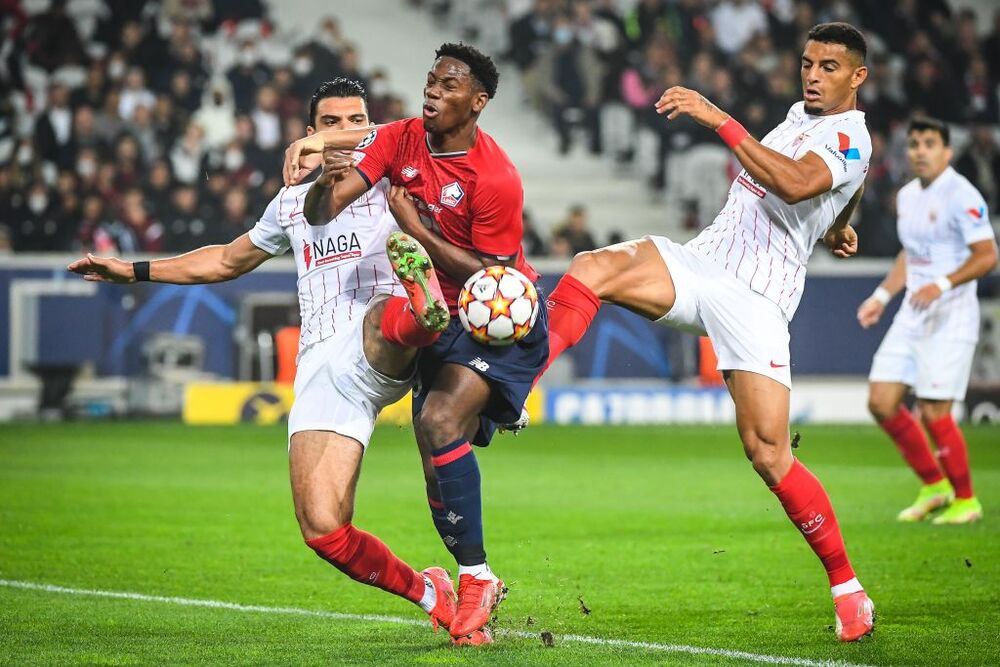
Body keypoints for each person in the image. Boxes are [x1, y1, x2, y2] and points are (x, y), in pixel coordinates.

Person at [67, 79, 468, 642]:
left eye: (359, 120)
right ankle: (430, 592)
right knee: (323, 529)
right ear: (309, 134)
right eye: (332, 123)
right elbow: (225, 261)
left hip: (381, 333)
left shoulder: (395, 176)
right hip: (324, 366)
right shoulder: (289, 206)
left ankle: (423, 312)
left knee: (385, 317)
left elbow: (415, 131)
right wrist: (133, 269)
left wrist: (343, 145)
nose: (348, 132)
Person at [535, 22, 875, 641]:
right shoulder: (799, 116)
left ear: (858, 77)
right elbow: (825, 188)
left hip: (756, 298)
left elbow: (797, 182)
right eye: (807, 63)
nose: (813, 76)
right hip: (702, 262)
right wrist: (835, 224)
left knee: (769, 454)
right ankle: (518, 378)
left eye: (829, 67)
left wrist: (717, 117)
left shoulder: (852, 135)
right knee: (592, 267)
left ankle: (848, 586)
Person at [283, 43, 545, 645]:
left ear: (477, 103)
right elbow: (330, 205)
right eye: (430, 81)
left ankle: (477, 577)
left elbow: (492, 276)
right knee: (434, 452)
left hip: (495, 315)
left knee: (437, 419)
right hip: (441, 318)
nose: (433, 92)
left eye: (449, 86)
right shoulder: (399, 137)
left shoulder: (495, 177)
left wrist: (415, 229)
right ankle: (459, 576)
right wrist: (322, 186)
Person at [858, 116, 996, 525]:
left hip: (951, 316)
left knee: (935, 411)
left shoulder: (962, 194)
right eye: (915, 143)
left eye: (929, 143)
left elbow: (987, 255)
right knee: (881, 402)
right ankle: (935, 486)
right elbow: (910, 254)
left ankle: (967, 500)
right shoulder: (906, 196)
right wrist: (882, 296)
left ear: (947, 151)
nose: (920, 150)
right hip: (913, 313)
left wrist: (942, 283)